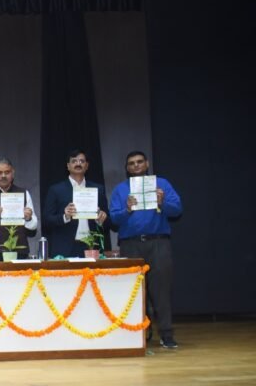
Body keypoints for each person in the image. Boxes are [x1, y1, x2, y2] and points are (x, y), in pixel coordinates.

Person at [109, 150, 183, 349]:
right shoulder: (120, 190)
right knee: (132, 292)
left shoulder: (162, 184)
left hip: (158, 243)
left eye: (139, 162)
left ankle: (166, 334)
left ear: (147, 164)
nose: (136, 165)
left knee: (161, 291)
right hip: (130, 245)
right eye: (131, 163)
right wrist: (127, 209)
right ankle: (135, 336)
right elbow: (114, 219)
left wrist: (162, 202)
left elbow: (177, 209)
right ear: (127, 168)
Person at [42, 149, 109, 258]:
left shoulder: (98, 189)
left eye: (82, 161)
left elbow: (108, 221)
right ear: (68, 166)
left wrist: (101, 219)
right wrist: (65, 217)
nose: (78, 164)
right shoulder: (56, 190)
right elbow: (46, 220)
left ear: (87, 166)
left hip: (91, 247)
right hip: (64, 248)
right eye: (74, 161)